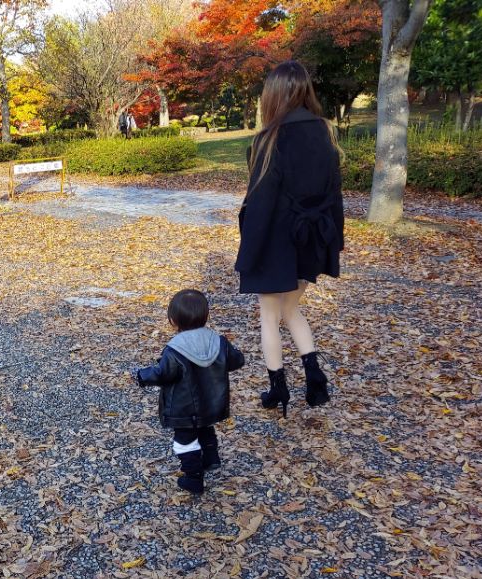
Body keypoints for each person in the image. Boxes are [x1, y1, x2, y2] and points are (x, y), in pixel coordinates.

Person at [235, 60, 343, 418]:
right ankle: (315, 379)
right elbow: (334, 195)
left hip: (278, 242)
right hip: (312, 240)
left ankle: (278, 389)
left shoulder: (270, 138)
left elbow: (260, 202)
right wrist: (333, 243)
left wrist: (248, 254)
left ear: (274, 95)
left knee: (270, 315)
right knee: (290, 308)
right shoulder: (326, 132)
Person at [136, 289, 245, 494]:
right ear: (206, 316)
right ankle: (211, 458)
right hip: (211, 403)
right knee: (204, 427)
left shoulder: (175, 349)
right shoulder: (217, 341)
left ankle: (193, 477)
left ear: (173, 320)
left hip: (184, 407)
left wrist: (142, 375)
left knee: (184, 441)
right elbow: (237, 360)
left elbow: (163, 373)